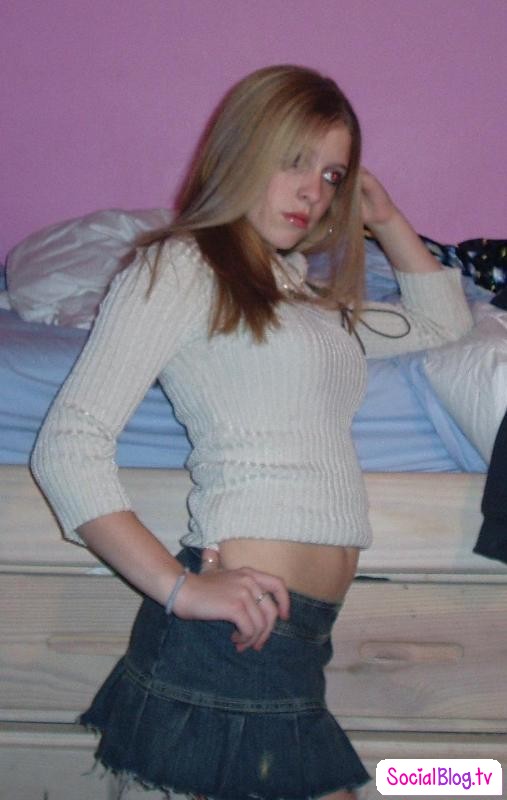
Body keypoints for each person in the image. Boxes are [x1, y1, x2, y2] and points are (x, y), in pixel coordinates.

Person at [31, 64, 473, 800]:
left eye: (332, 175)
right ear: (239, 153)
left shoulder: (301, 294)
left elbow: (441, 324)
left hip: (297, 633)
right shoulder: (184, 264)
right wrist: (179, 589)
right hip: (237, 631)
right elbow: (68, 443)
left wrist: (387, 219)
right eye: (293, 161)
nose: (313, 192)